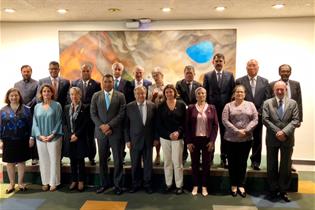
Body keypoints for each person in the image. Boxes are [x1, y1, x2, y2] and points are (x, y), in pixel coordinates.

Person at [262, 81, 299, 202]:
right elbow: (265, 119)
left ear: (286, 90)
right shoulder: (267, 103)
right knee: (271, 164)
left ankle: (283, 190)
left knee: (285, 165)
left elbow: (295, 120)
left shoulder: (293, 103)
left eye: (282, 89)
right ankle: (273, 190)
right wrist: (278, 131)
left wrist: (284, 132)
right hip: (272, 138)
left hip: (287, 138)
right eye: (277, 89)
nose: (279, 91)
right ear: (274, 90)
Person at [90, 74, 126, 195]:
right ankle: (103, 184)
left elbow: (122, 114)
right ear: (102, 82)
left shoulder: (120, 96)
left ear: (113, 83)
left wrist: (109, 126)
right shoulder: (96, 96)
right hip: (101, 134)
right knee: (102, 160)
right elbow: (93, 113)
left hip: (116, 133)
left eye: (110, 82)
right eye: (105, 81)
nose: (107, 84)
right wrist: (102, 127)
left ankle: (118, 185)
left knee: (118, 160)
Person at [222, 85, 258, 197]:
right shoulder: (228, 105)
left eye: (241, 92)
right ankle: (233, 184)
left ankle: (241, 185)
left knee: (243, 162)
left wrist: (246, 130)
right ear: (234, 93)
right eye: (237, 92)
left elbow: (255, 119)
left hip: (246, 139)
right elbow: (224, 120)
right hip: (231, 139)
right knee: (232, 163)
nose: (239, 94)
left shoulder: (251, 105)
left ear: (245, 94)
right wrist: (237, 131)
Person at [235, 59, 270, 170]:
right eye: (249, 66)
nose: (251, 67)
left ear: (258, 67)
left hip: (258, 116)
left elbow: (267, 98)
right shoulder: (239, 81)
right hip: (243, 116)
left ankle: (255, 161)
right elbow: (236, 98)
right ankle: (241, 160)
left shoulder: (265, 81)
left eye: (254, 65)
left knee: (257, 139)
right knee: (243, 138)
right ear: (246, 68)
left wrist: (259, 112)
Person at [203, 53, 235, 168]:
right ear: (213, 62)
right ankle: (209, 158)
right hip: (211, 111)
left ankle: (224, 158)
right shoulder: (207, 76)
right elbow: (205, 94)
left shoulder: (230, 76)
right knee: (210, 136)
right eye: (216, 61)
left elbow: (232, 94)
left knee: (224, 136)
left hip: (226, 112)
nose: (218, 63)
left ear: (224, 62)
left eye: (220, 61)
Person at [125, 86, 158, 194]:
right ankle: (135, 184)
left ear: (146, 94)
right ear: (135, 95)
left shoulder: (152, 106)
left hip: (149, 140)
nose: (141, 95)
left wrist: (156, 138)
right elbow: (126, 126)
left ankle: (147, 184)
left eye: (143, 93)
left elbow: (155, 125)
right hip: (134, 141)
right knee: (135, 164)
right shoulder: (129, 107)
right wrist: (127, 140)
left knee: (148, 164)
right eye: (138, 94)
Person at [185, 87, 218, 196]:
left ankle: (204, 186)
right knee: (194, 163)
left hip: (207, 140)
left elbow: (215, 126)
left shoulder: (212, 108)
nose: (201, 95)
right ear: (196, 95)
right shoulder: (190, 108)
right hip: (194, 140)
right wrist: (188, 142)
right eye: (199, 93)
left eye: (203, 93)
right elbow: (187, 126)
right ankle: (195, 185)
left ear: (206, 94)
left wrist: (212, 141)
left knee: (206, 164)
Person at [270, 64, 303, 172]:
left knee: (288, 146)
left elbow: (299, 103)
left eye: (287, 71)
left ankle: (288, 164)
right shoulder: (272, 85)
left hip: (290, 121)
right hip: (275, 121)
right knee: (274, 146)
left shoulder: (296, 84)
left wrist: (299, 119)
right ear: (279, 72)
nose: (285, 73)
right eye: (283, 71)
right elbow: (269, 103)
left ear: (290, 72)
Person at [0, 88, 33, 193]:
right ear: (8, 97)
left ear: (19, 97)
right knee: (10, 163)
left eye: (16, 95)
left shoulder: (27, 109)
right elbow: (0, 126)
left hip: (23, 139)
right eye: (11, 96)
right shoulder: (3, 110)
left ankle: (21, 183)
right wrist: (0, 140)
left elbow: (31, 125)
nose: (14, 97)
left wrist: (31, 138)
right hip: (8, 140)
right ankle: (11, 184)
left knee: (21, 162)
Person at [32, 84, 63, 192]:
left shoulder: (57, 105)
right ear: (41, 93)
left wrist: (52, 134)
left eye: (48, 91)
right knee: (44, 160)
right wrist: (39, 135)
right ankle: (45, 182)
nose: (46, 93)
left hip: (54, 138)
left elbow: (60, 121)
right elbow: (34, 123)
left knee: (54, 160)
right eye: (44, 91)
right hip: (40, 138)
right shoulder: (37, 107)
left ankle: (53, 182)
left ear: (52, 93)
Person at [157, 84, 186, 195]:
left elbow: (184, 122)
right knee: (167, 162)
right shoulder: (160, 106)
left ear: (175, 92)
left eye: (171, 91)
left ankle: (179, 185)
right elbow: (158, 124)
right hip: (165, 138)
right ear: (164, 94)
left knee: (177, 162)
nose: (169, 94)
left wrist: (178, 132)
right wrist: (168, 134)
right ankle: (168, 184)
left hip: (178, 138)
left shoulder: (181, 105)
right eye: (167, 92)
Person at [69, 64, 101, 166]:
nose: (85, 73)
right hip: (76, 116)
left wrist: (85, 107)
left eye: (87, 71)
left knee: (90, 137)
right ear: (81, 72)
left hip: (90, 115)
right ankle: (78, 156)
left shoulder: (96, 84)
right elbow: (69, 97)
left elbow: (97, 100)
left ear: (91, 72)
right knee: (78, 136)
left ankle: (91, 157)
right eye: (83, 71)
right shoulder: (74, 83)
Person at [64, 87, 89, 192]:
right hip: (70, 138)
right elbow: (65, 123)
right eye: (71, 94)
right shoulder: (66, 108)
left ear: (80, 95)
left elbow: (86, 124)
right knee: (72, 160)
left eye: (76, 94)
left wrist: (77, 135)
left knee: (80, 160)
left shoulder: (85, 107)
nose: (74, 96)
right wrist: (70, 135)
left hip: (80, 138)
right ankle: (74, 180)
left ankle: (81, 181)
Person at [176, 65, 202, 164]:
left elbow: (200, 98)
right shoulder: (179, 84)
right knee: (184, 135)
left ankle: (196, 157)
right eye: (187, 73)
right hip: (183, 113)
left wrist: (194, 108)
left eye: (191, 73)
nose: (189, 75)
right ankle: (183, 156)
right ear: (184, 74)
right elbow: (178, 97)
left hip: (195, 113)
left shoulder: (199, 85)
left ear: (194, 74)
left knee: (195, 135)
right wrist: (186, 106)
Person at [14, 65, 39, 165]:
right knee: (19, 135)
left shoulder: (37, 83)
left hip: (32, 112)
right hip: (20, 113)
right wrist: (21, 107)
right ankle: (19, 157)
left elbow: (37, 97)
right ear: (21, 72)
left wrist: (27, 106)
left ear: (31, 72)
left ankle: (34, 158)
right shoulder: (17, 84)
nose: (26, 73)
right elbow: (15, 96)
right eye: (24, 71)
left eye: (28, 71)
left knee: (32, 135)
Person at [147, 67, 165, 165]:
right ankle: (154, 154)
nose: (155, 77)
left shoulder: (167, 86)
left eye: (157, 75)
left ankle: (161, 154)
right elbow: (148, 102)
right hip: (153, 114)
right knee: (154, 135)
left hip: (164, 115)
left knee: (162, 135)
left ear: (162, 76)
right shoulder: (150, 87)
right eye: (154, 75)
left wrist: (163, 98)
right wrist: (154, 97)